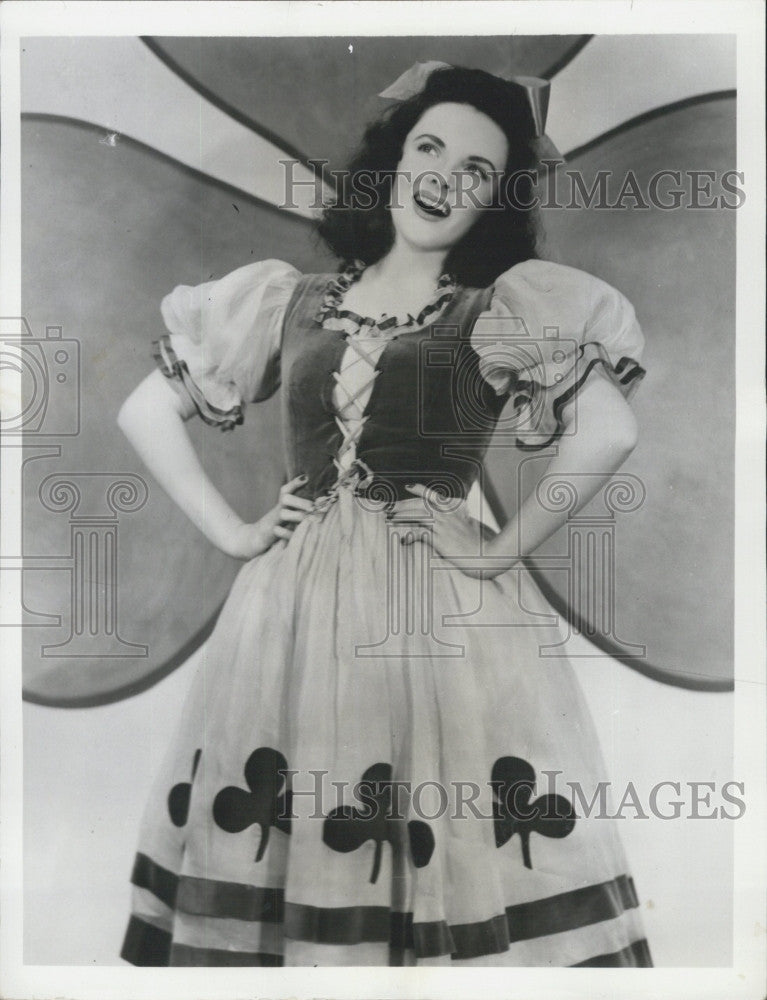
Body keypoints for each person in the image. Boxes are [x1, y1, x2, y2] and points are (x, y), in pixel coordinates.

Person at [117, 64, 651, 967]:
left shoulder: (499, 310)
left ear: (492, 202)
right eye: (429, 148)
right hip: (290, 617)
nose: (443, 177)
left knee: (437, 844)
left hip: (435, 621)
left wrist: (493, 554)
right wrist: (236, 533)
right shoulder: (285, 300)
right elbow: (143, 411)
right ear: (393, 163)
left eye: (476, 171)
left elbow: (609, 431)